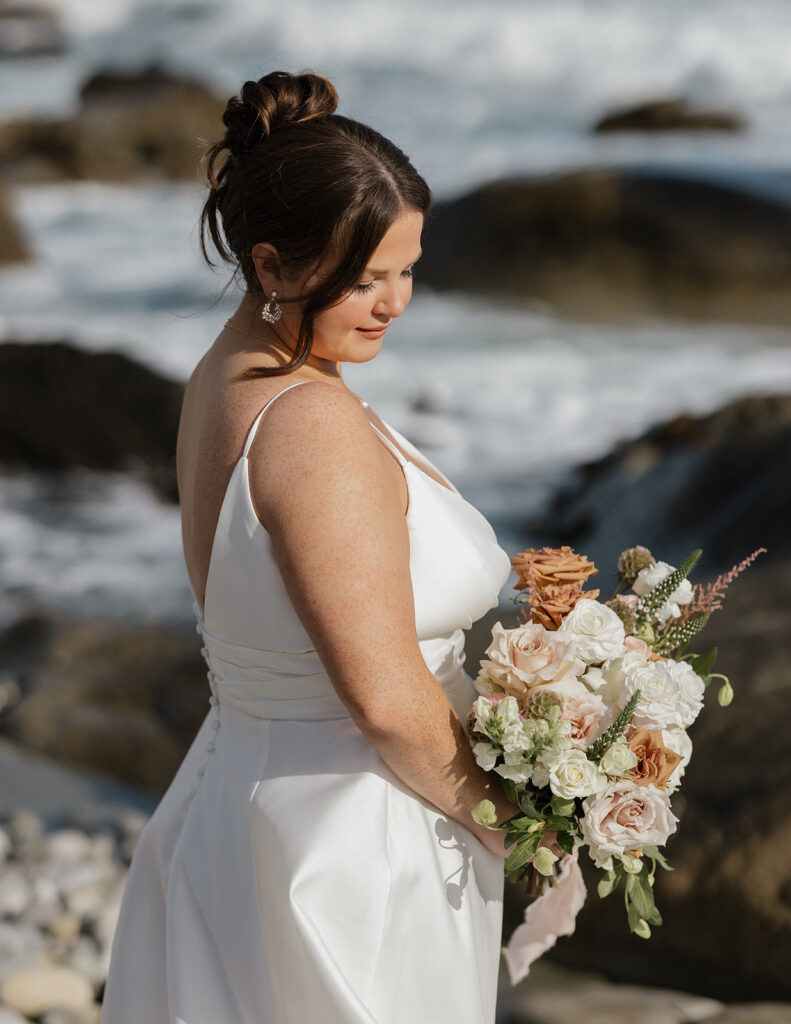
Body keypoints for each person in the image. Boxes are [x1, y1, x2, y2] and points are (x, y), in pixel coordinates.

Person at [99, 70, 517, 1024]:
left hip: (237, 805)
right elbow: (382, 700)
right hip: (351, 855)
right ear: (273, 265)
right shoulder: (310, 427)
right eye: (364, 277)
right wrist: (523, 822)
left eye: (407, 268)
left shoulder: (224, 374)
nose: (395, 302)